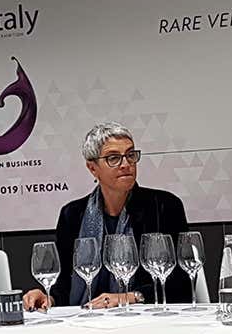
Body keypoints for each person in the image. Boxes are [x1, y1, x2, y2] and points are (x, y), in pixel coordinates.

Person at [23, 122, 192, 310]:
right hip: (85, 316)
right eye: (114, 158)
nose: (126, 164)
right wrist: (48, 297)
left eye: (130, 155)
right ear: (92, 168)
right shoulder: (72, 215)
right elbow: (64, 285)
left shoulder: (164, 206)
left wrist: (130, 297)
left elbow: (181, 282)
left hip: (144, 317)